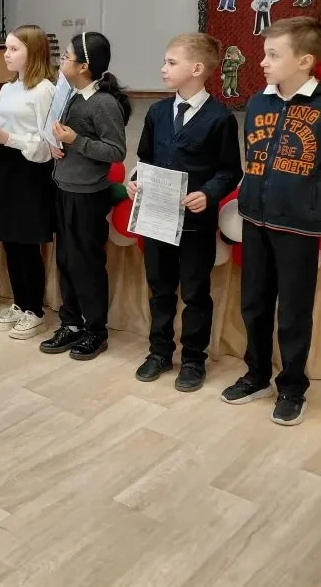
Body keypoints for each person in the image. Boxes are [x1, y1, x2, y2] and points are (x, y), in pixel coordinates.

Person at [129, 33, 241, 392]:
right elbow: (144, 158)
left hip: (194, 225)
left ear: (197, 69)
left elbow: (229, 171)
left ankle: (193, 359)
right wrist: (134, 180)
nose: (163, 68)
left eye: (171, 62)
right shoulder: (158, 112)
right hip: (156, 219)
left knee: (195, 294)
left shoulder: (220, 118)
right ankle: (159, 351)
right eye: (165, 61)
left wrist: (208, 193)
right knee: (159, 289)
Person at [223, 17, 321, 426]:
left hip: (299, 227)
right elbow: (252, 159)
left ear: (305, 61)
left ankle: (293, 387)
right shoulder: (258, 103)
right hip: (255, 221)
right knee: (254, 304)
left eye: (273, 55)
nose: (262, 62)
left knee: (294, 312)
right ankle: (257, 375)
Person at [40, 32, 129, 361]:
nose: (61, 61)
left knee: (86, 264)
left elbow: (116, 151)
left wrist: (76, 140)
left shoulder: (103, 103)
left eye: (66, 56)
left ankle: (95, 330)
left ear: (83, 66)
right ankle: (71, 322)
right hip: (64, 188)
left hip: (88, 196)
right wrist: (57, 144)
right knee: (65, 260)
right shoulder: (72, 96)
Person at [0, 25, 57, 339]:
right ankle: (19, 302)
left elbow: (46, 144)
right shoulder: (9, 88)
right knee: (10, 242)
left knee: (27, 244)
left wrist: (8, 138)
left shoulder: (44, 90)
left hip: (29, 172)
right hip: (4, 167)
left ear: (33, 52)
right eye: (6, 48)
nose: (6, 55)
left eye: (14, 49)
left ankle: (34, 311)